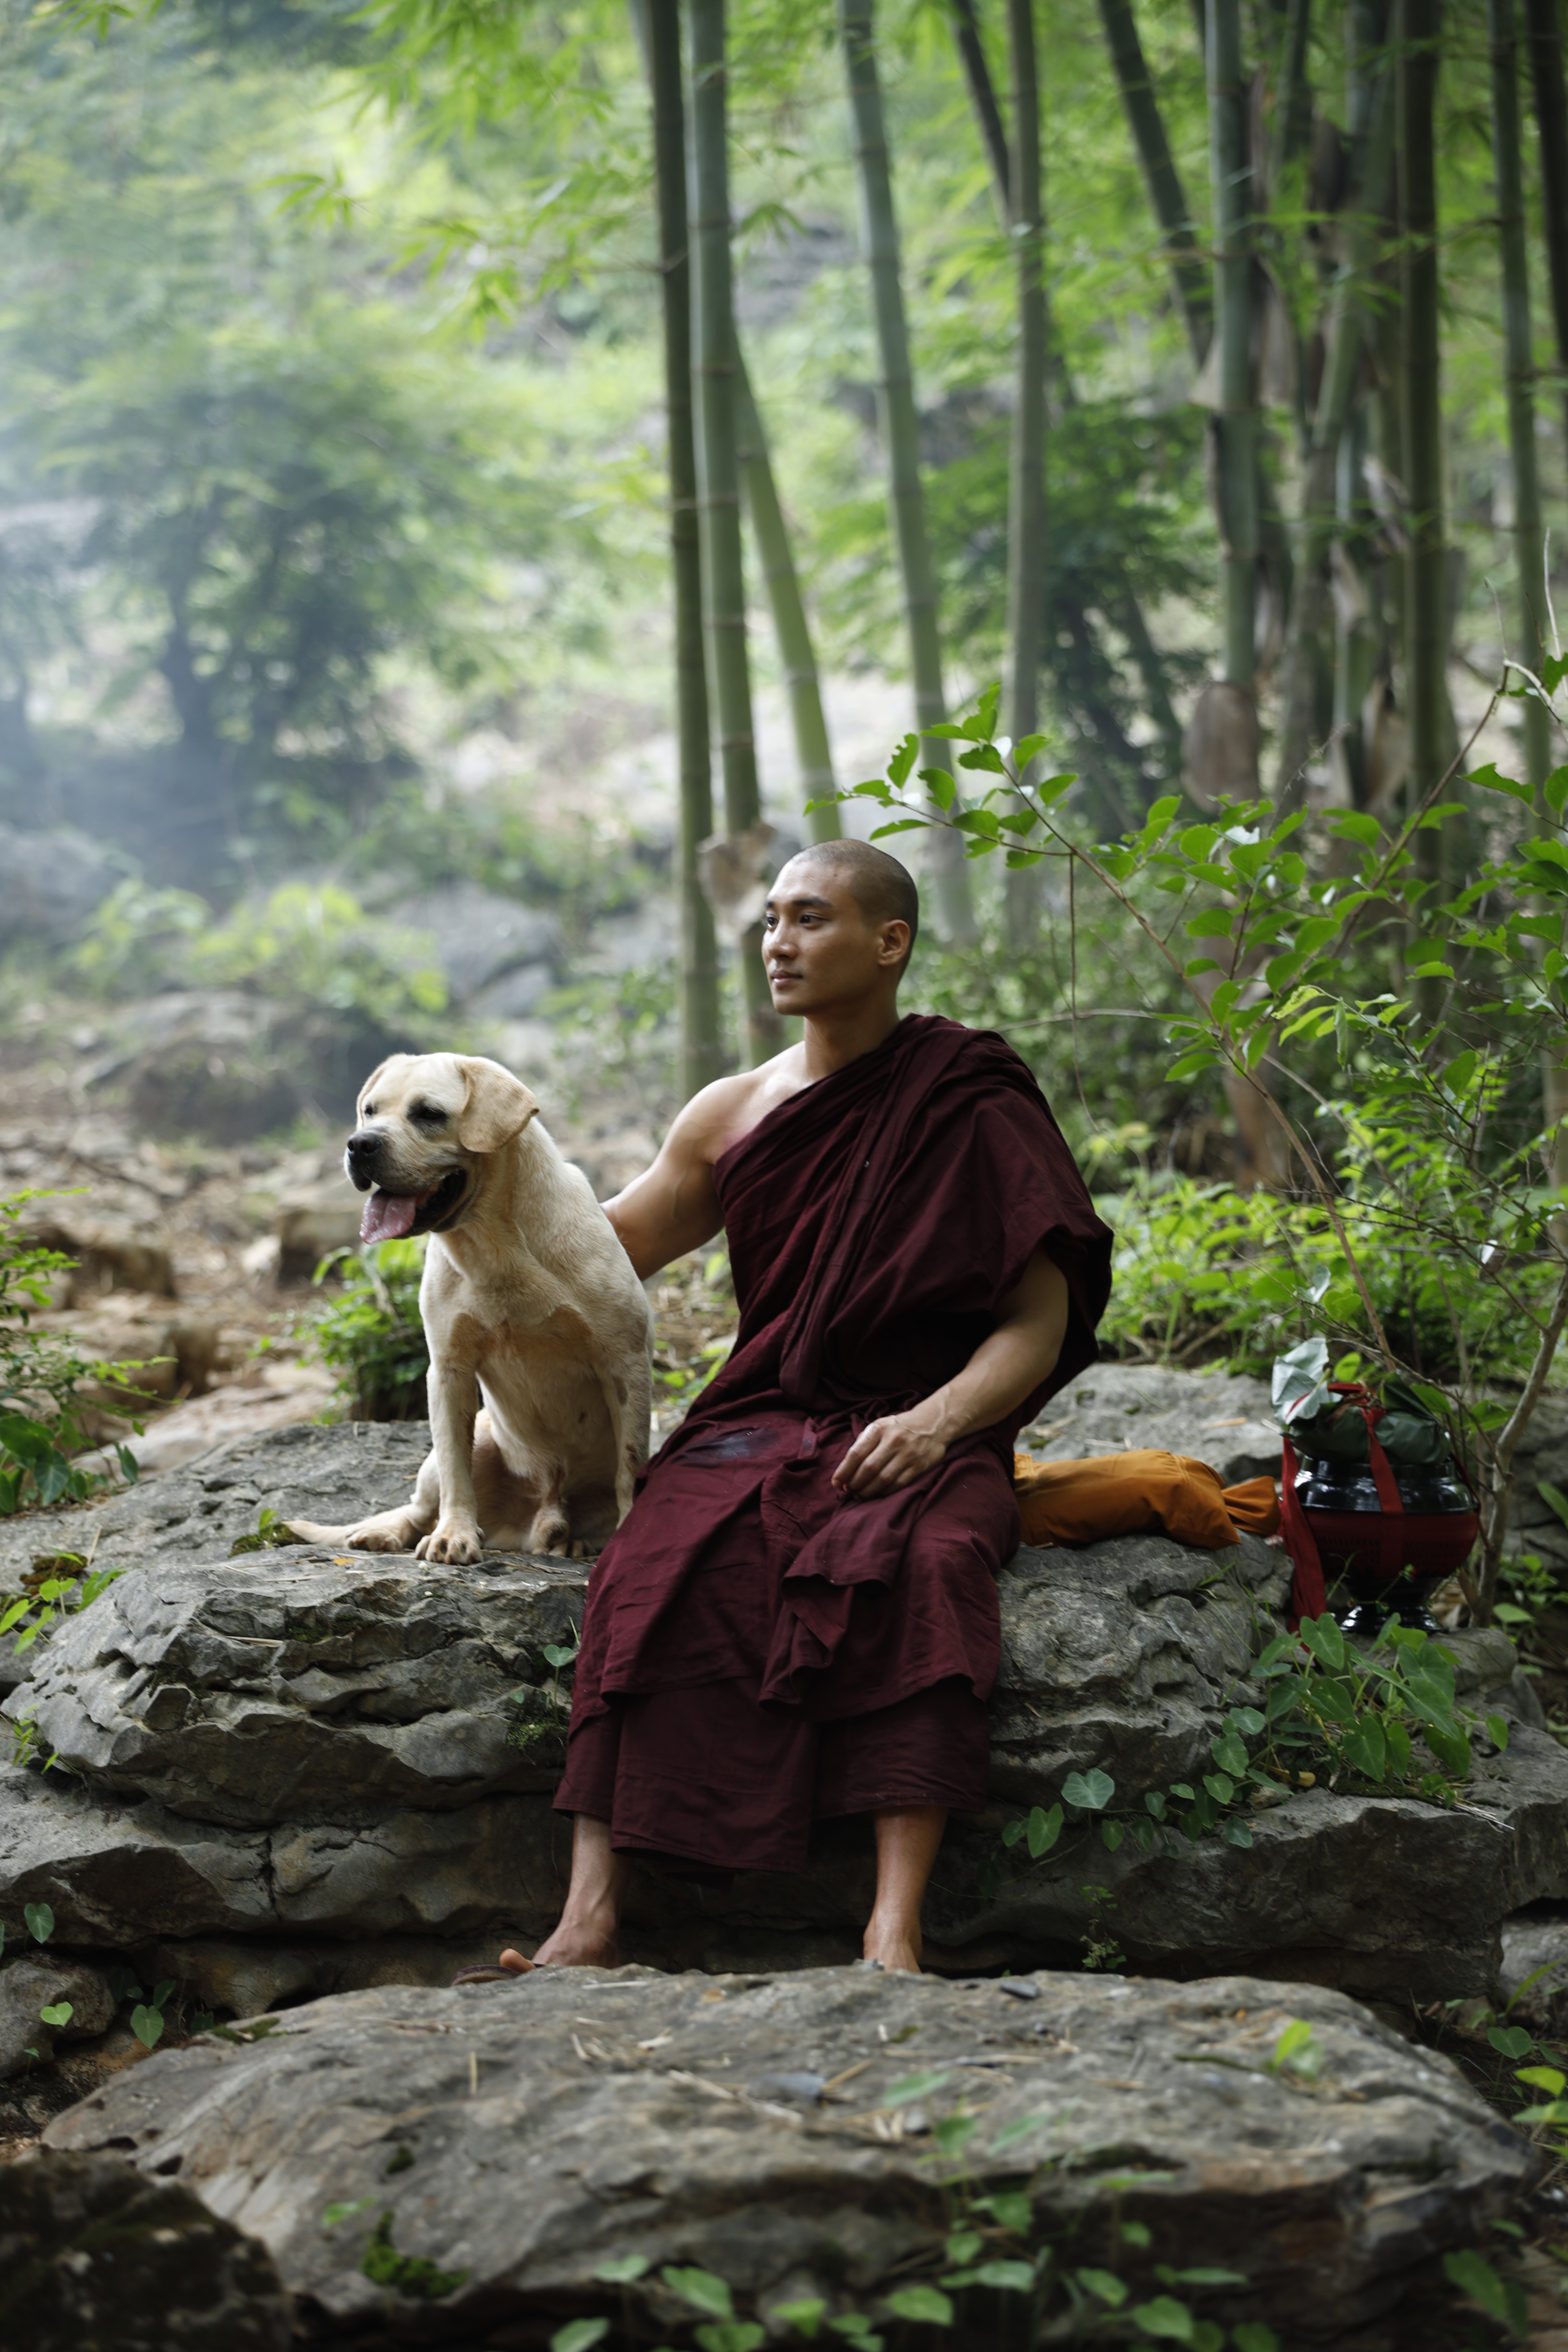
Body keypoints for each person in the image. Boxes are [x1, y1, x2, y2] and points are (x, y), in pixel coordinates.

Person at [496, 838, 1111, 1975]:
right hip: (764, 1415)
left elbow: (1039, 1316)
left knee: (929, 1566)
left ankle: (892, 1931)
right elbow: (599, 1256)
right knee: (651, 1561)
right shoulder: (731, 1113)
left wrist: (939, 1425)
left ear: (891, 943)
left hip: (927, 1417)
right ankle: (588, 1919)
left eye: (811, 918)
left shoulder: (969, 1095)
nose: (778, 941)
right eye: (771, 919)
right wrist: (473, 1178)